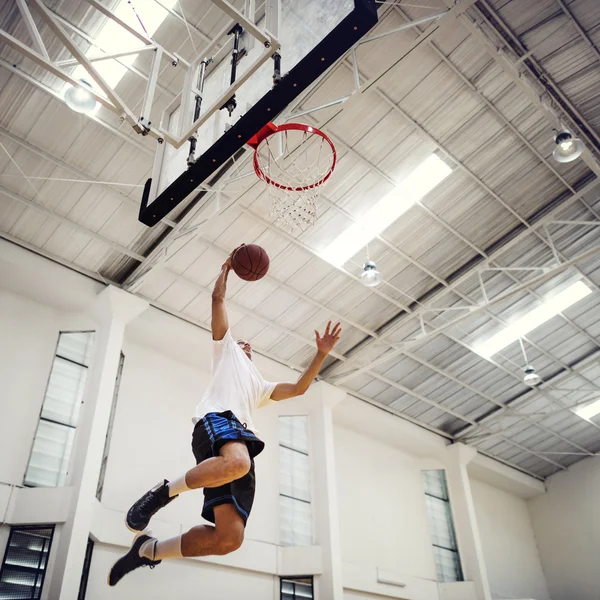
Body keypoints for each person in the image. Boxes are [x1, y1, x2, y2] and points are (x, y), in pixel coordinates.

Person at [108, 249, 342, 586]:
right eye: (240, 341)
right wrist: (228, 270)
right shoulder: (225, 350)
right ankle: (163, 492)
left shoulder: (260, 385)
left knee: (229, 540)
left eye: (249, 345)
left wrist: (320, 355)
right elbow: (217, 299)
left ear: (253, 353)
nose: (245, 343)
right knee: (240, 463)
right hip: (217, 422)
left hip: (238, 443)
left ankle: (149, 551)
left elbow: (299, 389)